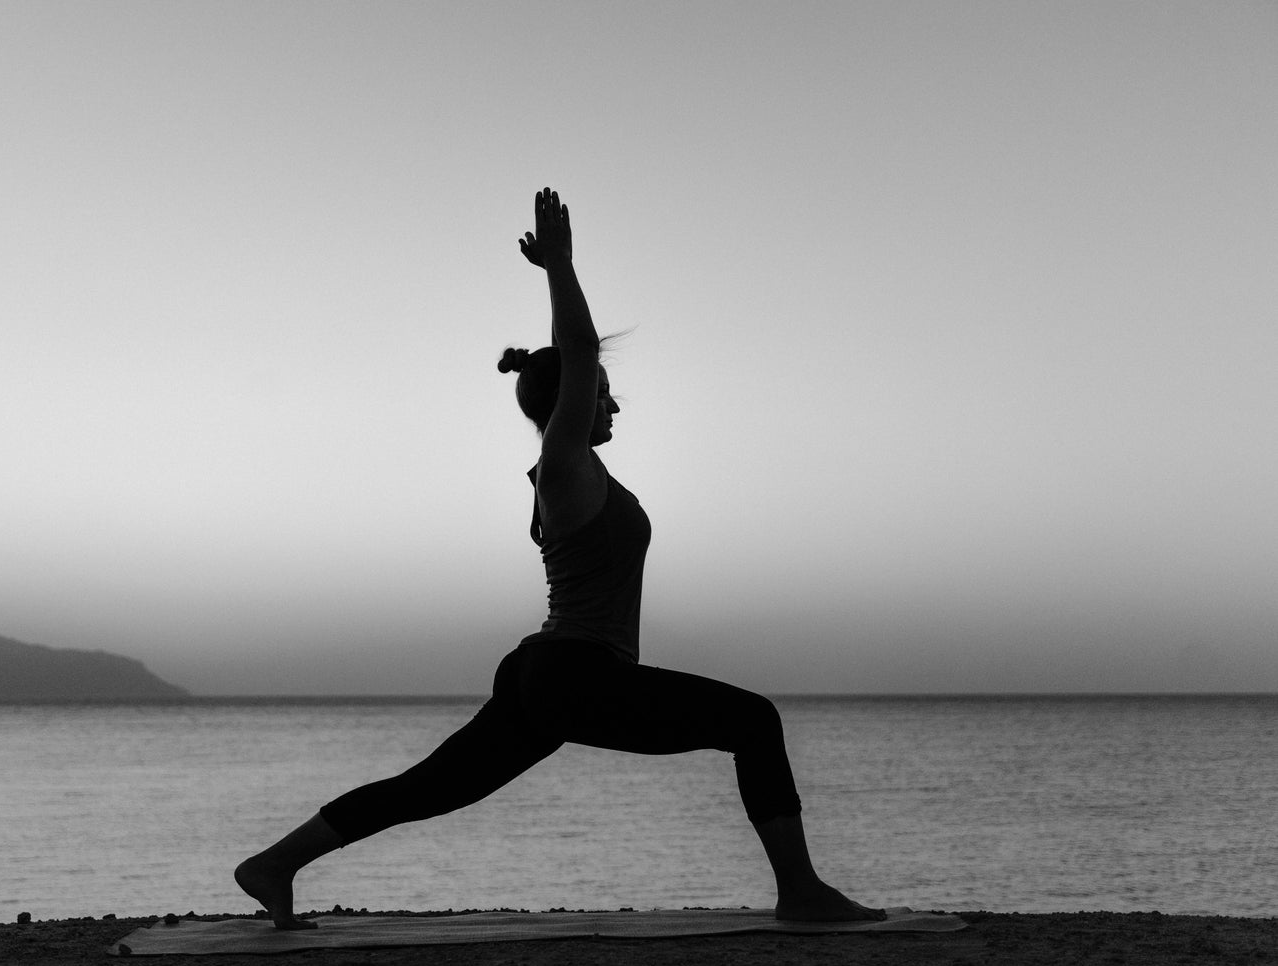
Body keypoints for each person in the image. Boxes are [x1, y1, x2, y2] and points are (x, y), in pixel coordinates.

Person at [235, 188, 883, 928]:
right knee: (753, 721)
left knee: (430, 788)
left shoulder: (578, 472)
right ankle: (801, 892)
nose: (613, 405)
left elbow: (571, 366)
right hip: (576, 672)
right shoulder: (563, 463)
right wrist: (560, 268)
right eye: (602, 395)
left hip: (549, 674)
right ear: (570, 404)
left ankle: (273, 865)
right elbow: (576, 353)